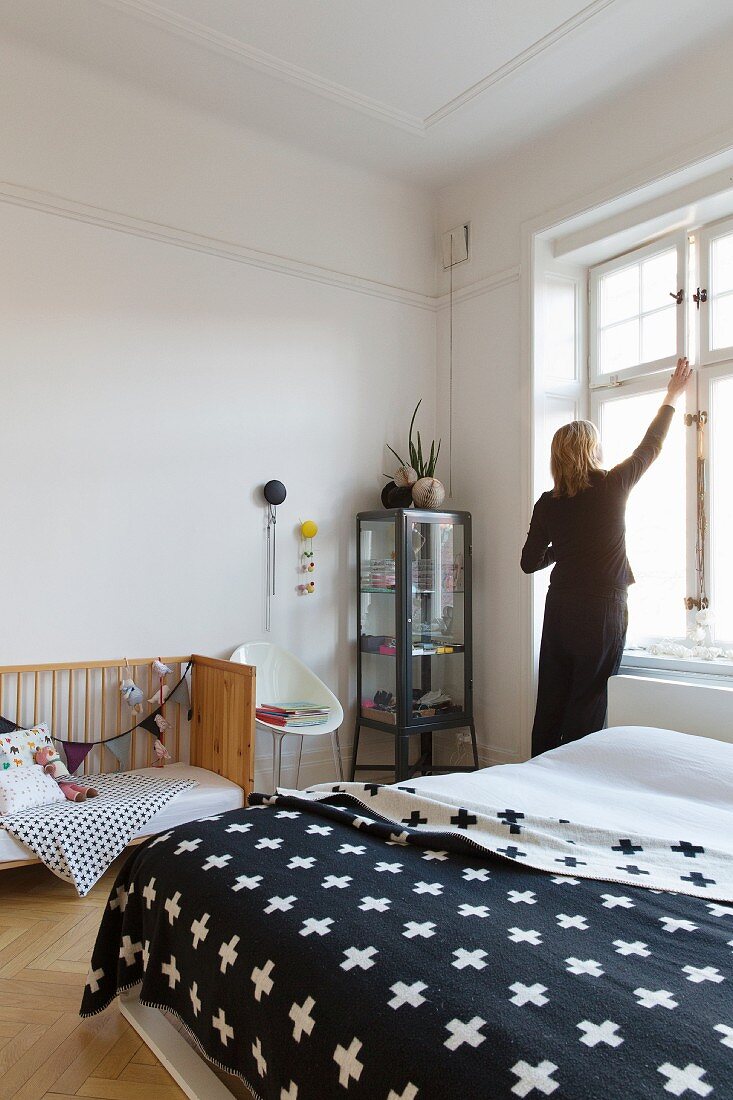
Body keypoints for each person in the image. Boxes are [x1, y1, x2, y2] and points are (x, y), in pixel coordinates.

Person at [522, 357, 693, 757]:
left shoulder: (547, 504)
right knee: (588, 699)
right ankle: (577, 784)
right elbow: (650, 447)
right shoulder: (612, 486)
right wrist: (671, 396)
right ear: (591, 450)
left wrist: (560, 550)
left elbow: (529, 562)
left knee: (551, 696)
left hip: (561, 605)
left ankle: (536, 781)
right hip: (602, 609)